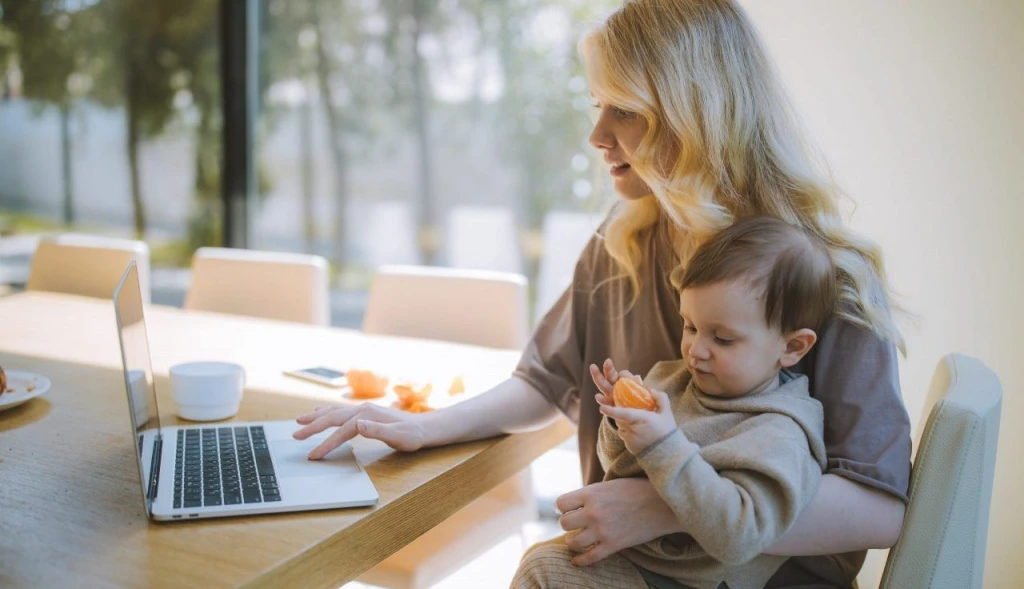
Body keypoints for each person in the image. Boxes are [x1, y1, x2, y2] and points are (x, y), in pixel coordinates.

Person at [293, 0, 912, 586]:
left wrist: (666, 505)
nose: (596, 134)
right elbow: (544, 381)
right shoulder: (623, 244)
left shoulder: (828, 276)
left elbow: (880, 508)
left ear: (696, 115)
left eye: (625, 110)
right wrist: (427, 426)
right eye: (597, 105)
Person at [512, 216, 836, 589]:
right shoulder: (673, 380)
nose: (696, 350)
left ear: (792, 346)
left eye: (723, 339)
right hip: (638, 560)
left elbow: (739, 537)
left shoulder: (779, 432)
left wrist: (663, 445)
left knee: (543, 570)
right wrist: (622, 425)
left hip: (689, 582)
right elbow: (617, 469)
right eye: (691, 327)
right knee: (542, 559)